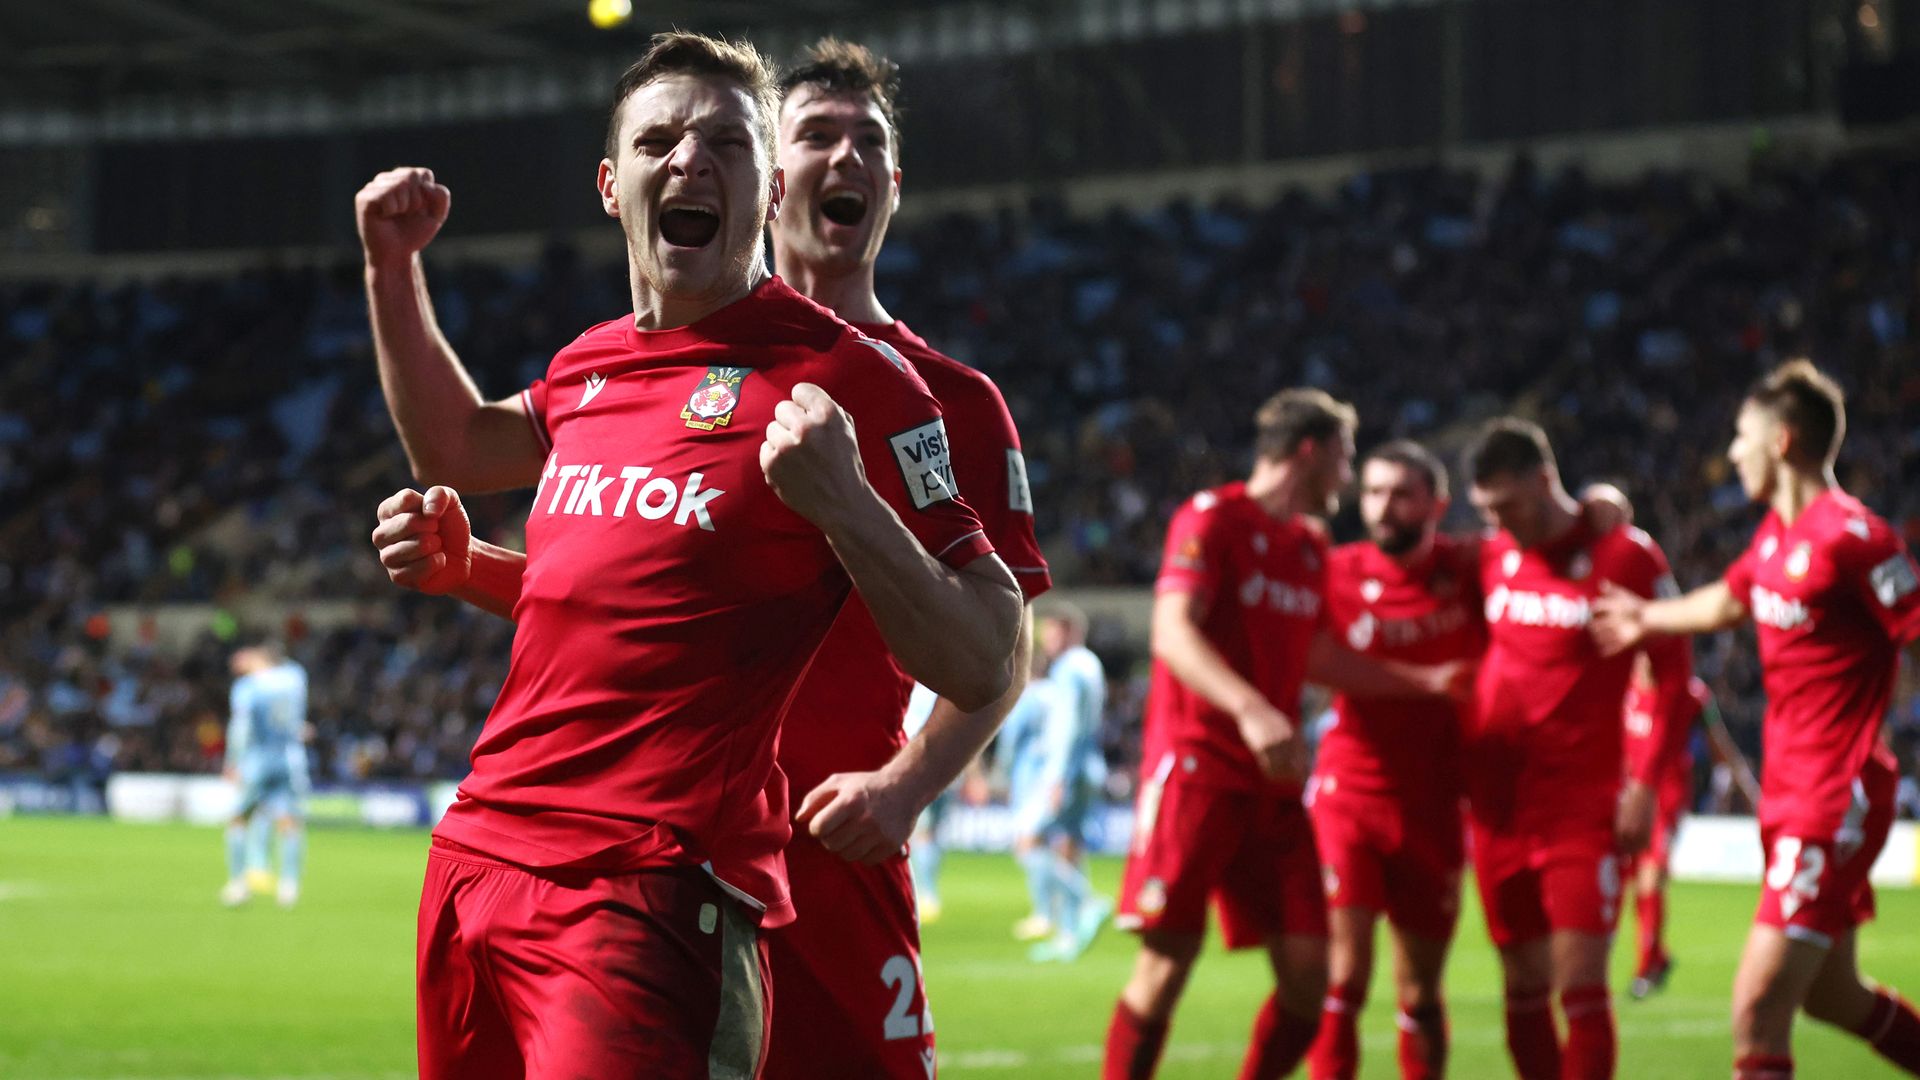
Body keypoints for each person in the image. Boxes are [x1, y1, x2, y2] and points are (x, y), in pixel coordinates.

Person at [358, 33, 1038, 1079]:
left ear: (765, 189)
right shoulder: (591, 366)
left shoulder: (866, 386)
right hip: (478, 855)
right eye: (659, 139)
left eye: (726, 141)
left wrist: (849, 505)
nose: (689, 161)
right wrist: (391, 271)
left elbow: (991, 652)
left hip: (663, 878)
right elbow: (480, 469)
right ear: (608, 183)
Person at [1105, 389, 1464, 1080]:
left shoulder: (1309, 546)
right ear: (1312, 451)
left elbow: (1320, 656)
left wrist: (1424, 682)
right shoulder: (1212, 517)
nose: (1350, 478)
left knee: (1311, 973)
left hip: (1271, 787)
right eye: (1347, 458)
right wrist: (1251, 709)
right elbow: (1171, 632)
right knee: (1167, 961)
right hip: (1197, 771)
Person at [1592, 360, 1920, 1079]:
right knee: (1834, 998)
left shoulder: (1854, 537)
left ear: (1782, 440)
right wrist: (1644, 616)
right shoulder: (1777, 536)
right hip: (1791, 793)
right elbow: (1725, 601)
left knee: (1757, 1010)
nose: (1731, 452)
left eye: (1741, 436)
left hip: (1835, 800)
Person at [1461, 417, 1696, 1080]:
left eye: (1508, 506)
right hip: (1500, 809)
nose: (1501, 523)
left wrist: (1646, 786)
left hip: (1584, 809)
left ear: (1544, 479)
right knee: (1522, 987)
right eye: (1487, 511)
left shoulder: (1626, 556)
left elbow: (1675, 673)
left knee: (1582, 988)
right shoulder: (1489, 555)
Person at [1306, 440, 1484, 1080]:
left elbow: (1545, 544)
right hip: (1349, 795)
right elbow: (1316, 660)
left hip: (1436, 804)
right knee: (1345, 975)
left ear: (1436, 503)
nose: (1383, 507)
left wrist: (1602, 505)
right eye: (1374, 492)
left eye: (1401, 494)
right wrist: (1429, 680)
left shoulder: (1470, 566)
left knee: (1421, 992)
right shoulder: (1335, 568)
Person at [1020, 600, 1112, 962]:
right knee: (1069, 846)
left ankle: (1087, 901)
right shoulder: (1091, 665)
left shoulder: (1071, 669)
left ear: (1072, 631)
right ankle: (1069, 937)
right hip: (1089, 764)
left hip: (1069, 768)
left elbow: (1069, 726)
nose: (1047, 639)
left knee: (1029, 840)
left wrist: (1057, 776)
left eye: (1054, 631)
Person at [220, 642, 310, 909]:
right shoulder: (294, 678)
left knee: (238, 819)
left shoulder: (248, 687)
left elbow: (240, 727)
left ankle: (238, 884)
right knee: (289, 822)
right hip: (290, 758)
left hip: (258, 759)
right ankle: (289, 886)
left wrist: (232, 762)